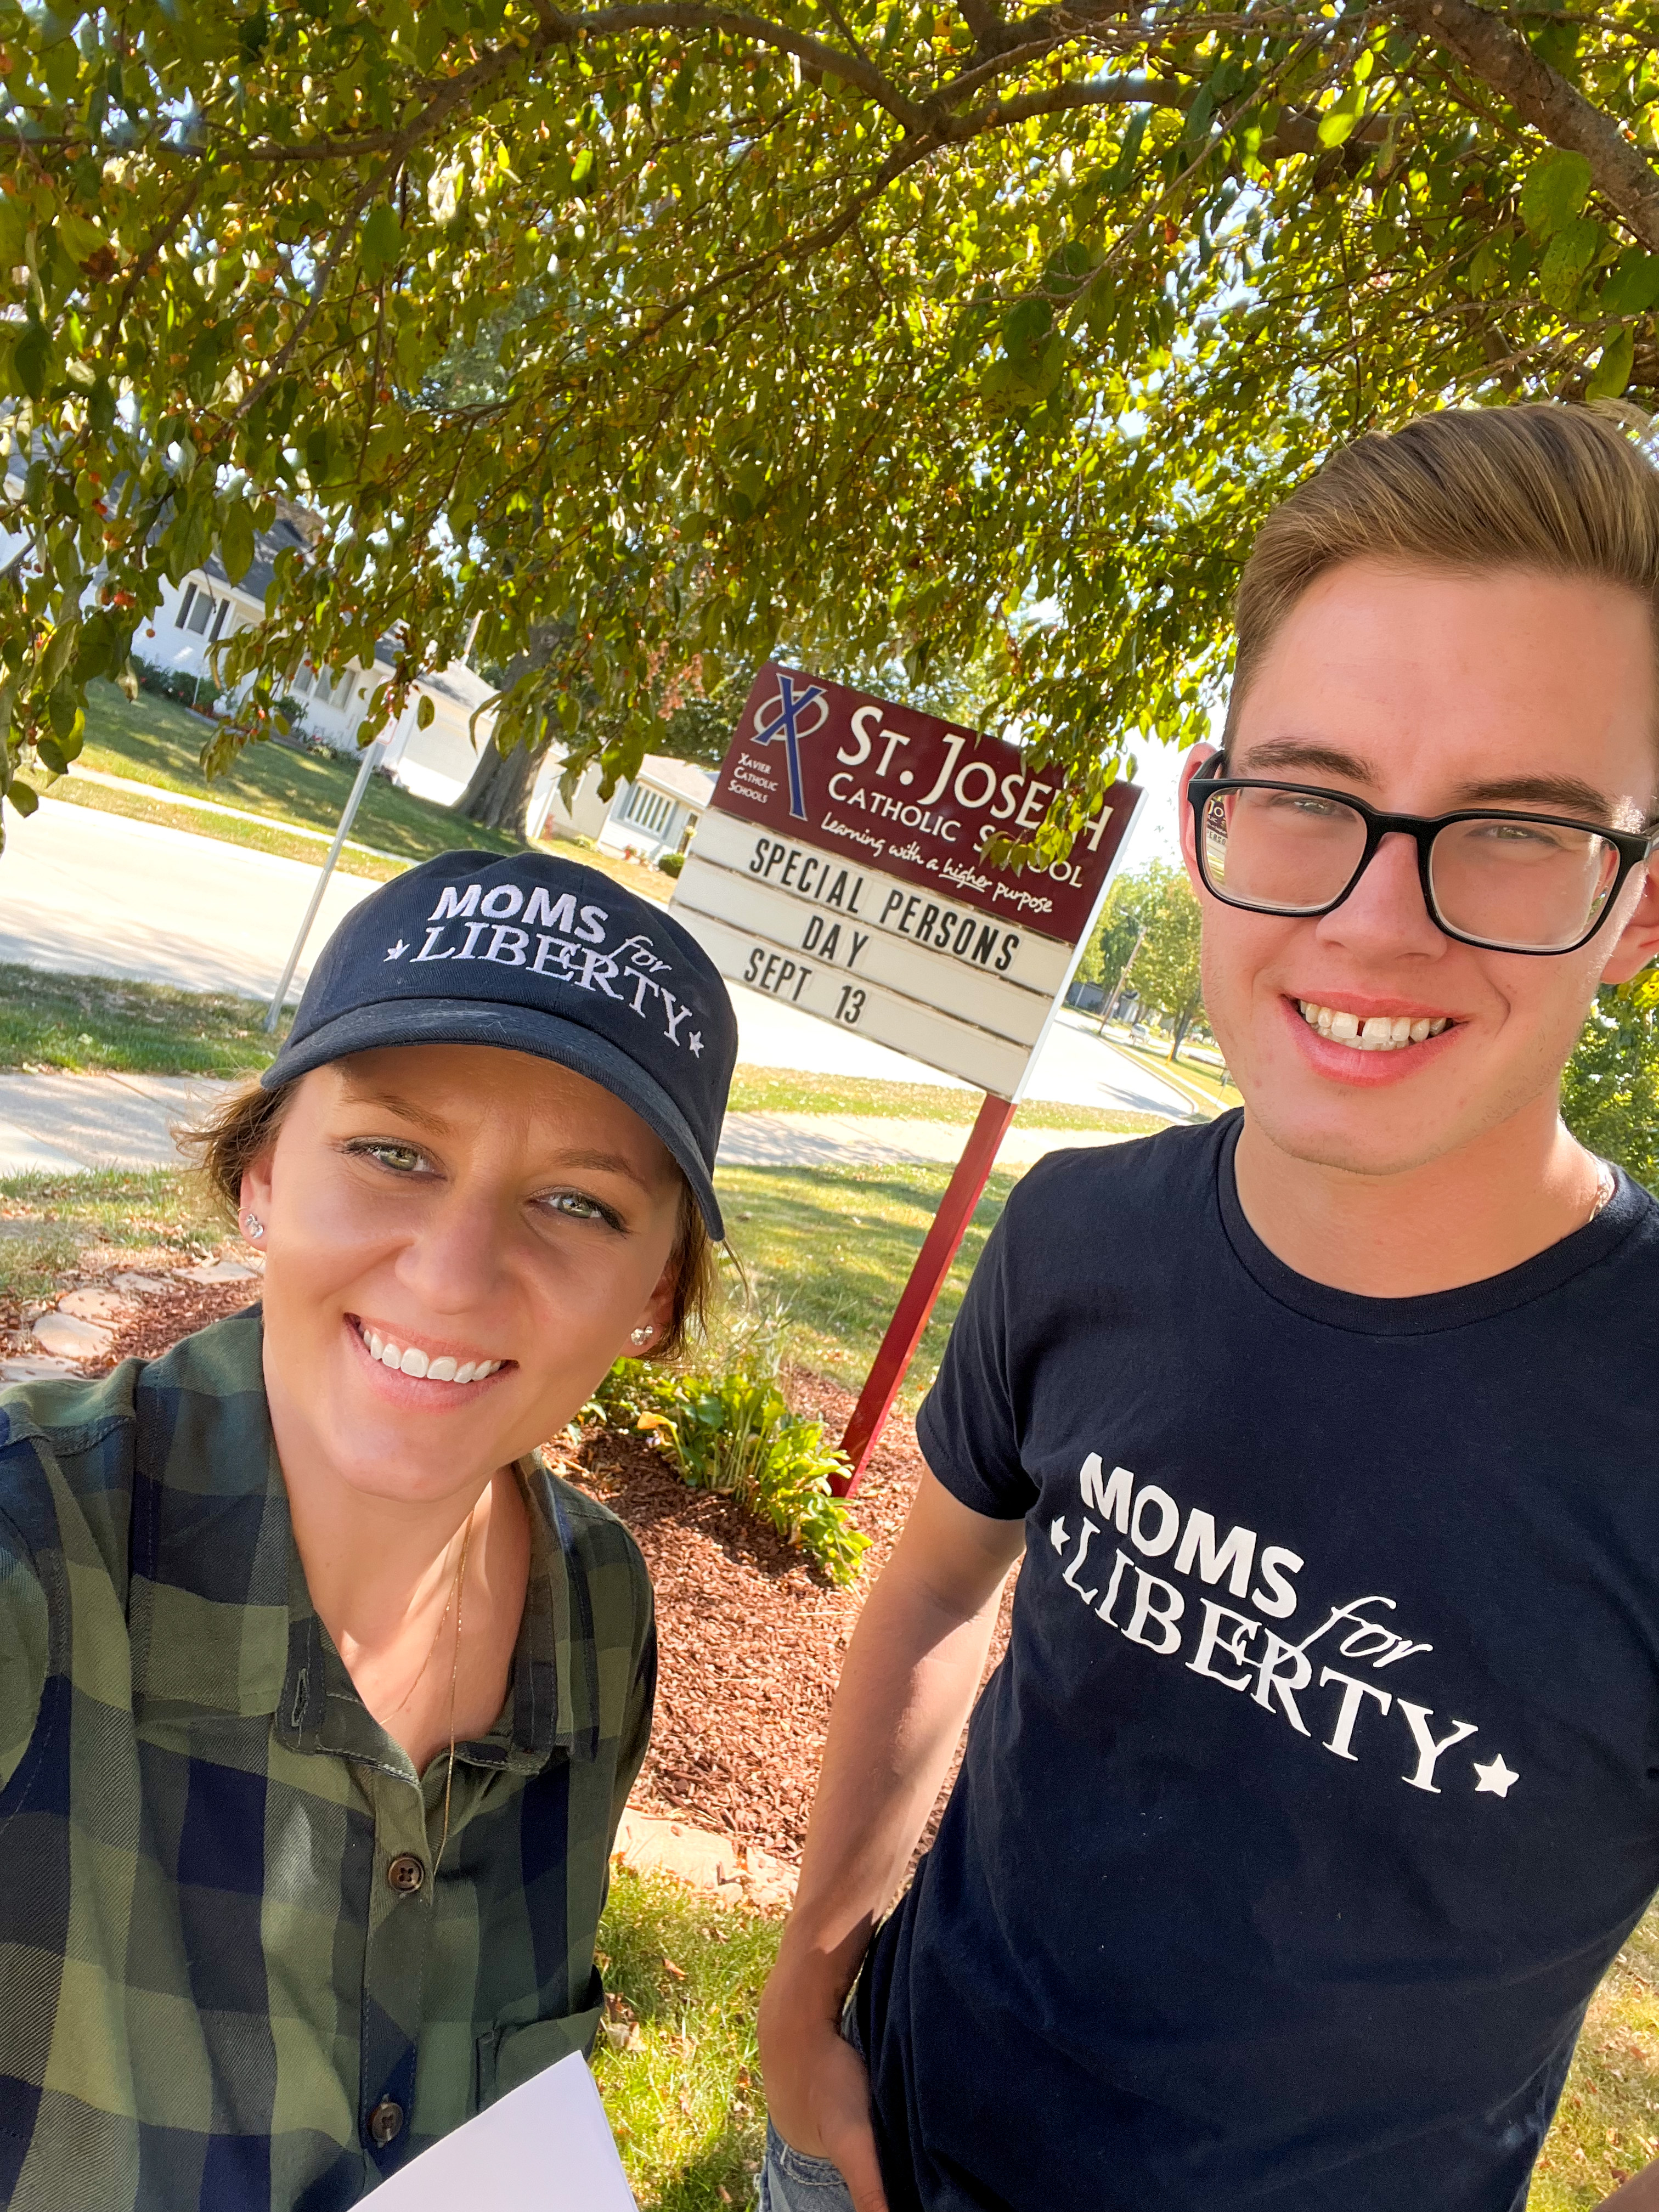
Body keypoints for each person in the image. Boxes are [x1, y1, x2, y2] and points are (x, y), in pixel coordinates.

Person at [756, 402, 1659, 2212]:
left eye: (1512, 833)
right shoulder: (1081, 1236)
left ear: (1636, 911)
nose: (1374, 925)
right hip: (883, 2150)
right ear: (1206, 823)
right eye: (1310, 796)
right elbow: (937, 1581)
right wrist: (802, 2000)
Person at [0, 848, 736, 2211]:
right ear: (263, 1175)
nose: (453, 1275)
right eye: (394, 1154)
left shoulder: (594, 1616)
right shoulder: (28, 1549)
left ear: (654, 1299)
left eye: (579, 1203)